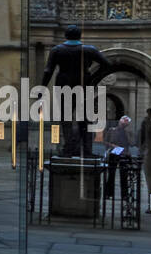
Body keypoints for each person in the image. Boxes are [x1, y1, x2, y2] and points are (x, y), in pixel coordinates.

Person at [41, 24, 111, 157]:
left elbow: (48, 70)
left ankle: (68, 149)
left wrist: (42, 88)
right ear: (80, 36)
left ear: (66, 36)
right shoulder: (89, 49)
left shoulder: (57, 50)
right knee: (84, 119)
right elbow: (107, 64)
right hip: (84, 85)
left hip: (63, 85)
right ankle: (87, 150)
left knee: (66, 119)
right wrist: (93, 77)